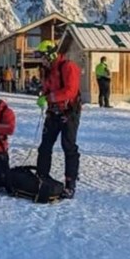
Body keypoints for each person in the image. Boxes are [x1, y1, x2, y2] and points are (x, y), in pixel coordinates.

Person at [34, 39, 81, 194]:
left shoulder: (68, 67)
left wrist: (49, 98)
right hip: (53, 112)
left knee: (69, 147)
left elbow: (70, 91)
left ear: (51, 54)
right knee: (45, 146)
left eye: (43, 57)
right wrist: (43, 96)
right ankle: (41, 176)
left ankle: (70, 183)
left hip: (68, 113)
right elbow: (48, 89)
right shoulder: (48, 71)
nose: (42, 61)